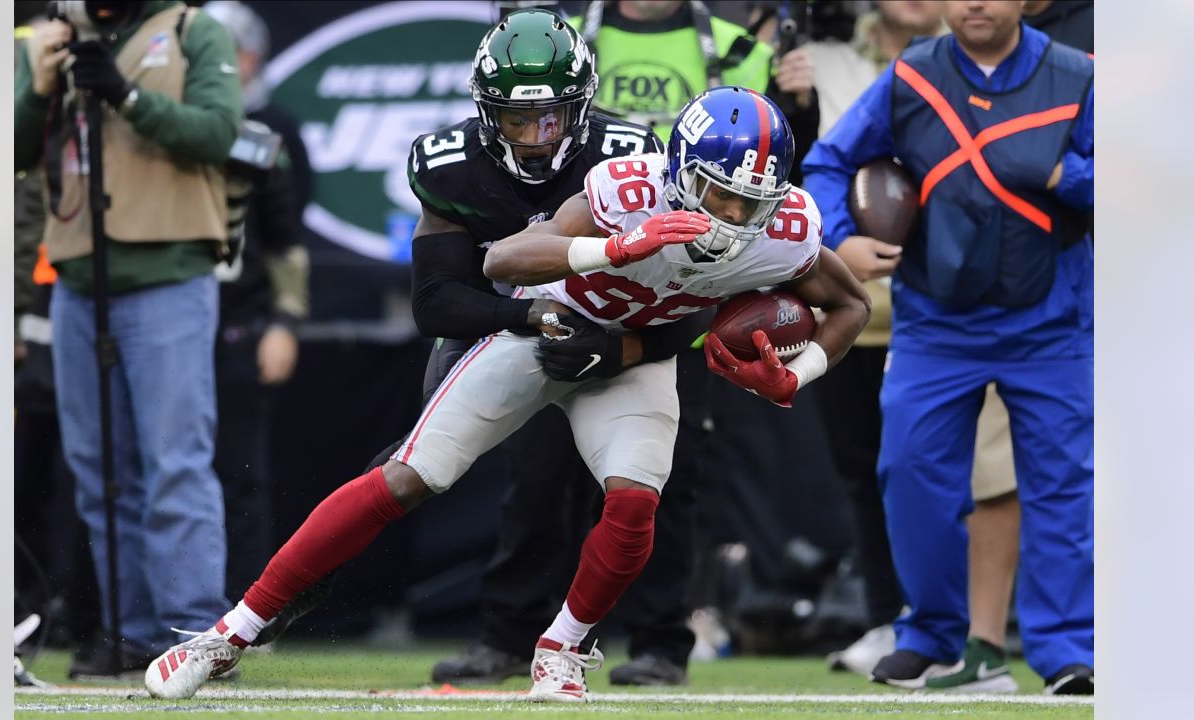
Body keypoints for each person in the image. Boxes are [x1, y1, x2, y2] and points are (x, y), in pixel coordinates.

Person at [143, 85, 870, 703]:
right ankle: (228, 634)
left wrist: (796, 376)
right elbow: (504, 257)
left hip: (634, 359)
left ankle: (562, 647)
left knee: (636, 499)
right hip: (546, 330)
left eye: (753, 202)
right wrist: (617, 248)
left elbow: (850, 307)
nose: (735, 220)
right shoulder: (630, 189)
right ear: (681, 173)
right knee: (408, 477)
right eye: (719, 196)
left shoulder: (788, 230)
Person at [248, 9, 708, 675]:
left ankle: (643, 643)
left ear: (581, 107)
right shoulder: (452, 166)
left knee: (647, 485)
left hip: (621, 330)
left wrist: (619, 350)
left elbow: (689, 297)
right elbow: (437, 303)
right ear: (484, 111)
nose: (534, 136)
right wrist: (532, 320)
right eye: (517, 119)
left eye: (550, 116)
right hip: (512, 325)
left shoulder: (633, 159)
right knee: (427, 468)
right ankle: (487, 633)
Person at [429, 0, 807, 687]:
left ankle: (662, 641)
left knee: (665, 478)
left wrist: (802, 103)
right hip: (598, 257)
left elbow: (778, 154)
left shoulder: (735, 44)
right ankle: (513, 633)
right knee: (537, 475)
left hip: (689, 282)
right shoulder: (575, 37)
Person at [802, 0, 1094, 695]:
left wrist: (1062, 176)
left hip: (1052, 325)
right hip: (936, 325)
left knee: (1063, 491)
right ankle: (932, 638)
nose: (975, 2)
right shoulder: (912, 75)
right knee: (908, 474)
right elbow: (827, 162)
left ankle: (1066, 653)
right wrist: (840, 237)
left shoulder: (1079, 76)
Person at [14, 1, 242, 674]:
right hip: (80, 275)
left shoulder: (192, 29)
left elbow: (219, 132)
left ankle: (194, 634)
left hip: (170, 268)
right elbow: (12, 154)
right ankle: (131, 629)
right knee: (98, 471)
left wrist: (129, 96)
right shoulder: (55, 41)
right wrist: (39, 87)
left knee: (174, 461)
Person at [202, 0, 312, 603]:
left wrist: (285, 319)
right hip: (161, 307)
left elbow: (288, 231)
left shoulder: (264, 133)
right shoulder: (162, 123)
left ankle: (243, 608)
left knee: (241, 470)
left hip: (237, 318)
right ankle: (112, 613)